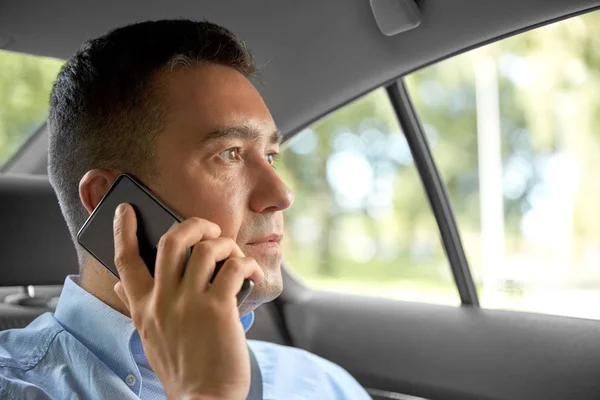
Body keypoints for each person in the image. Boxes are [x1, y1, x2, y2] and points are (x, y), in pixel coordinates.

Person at [0, 20, 371, 399]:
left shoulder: (323, 383)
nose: (282, 194)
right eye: (229, 155)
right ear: (113, 204)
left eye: (270, 156)